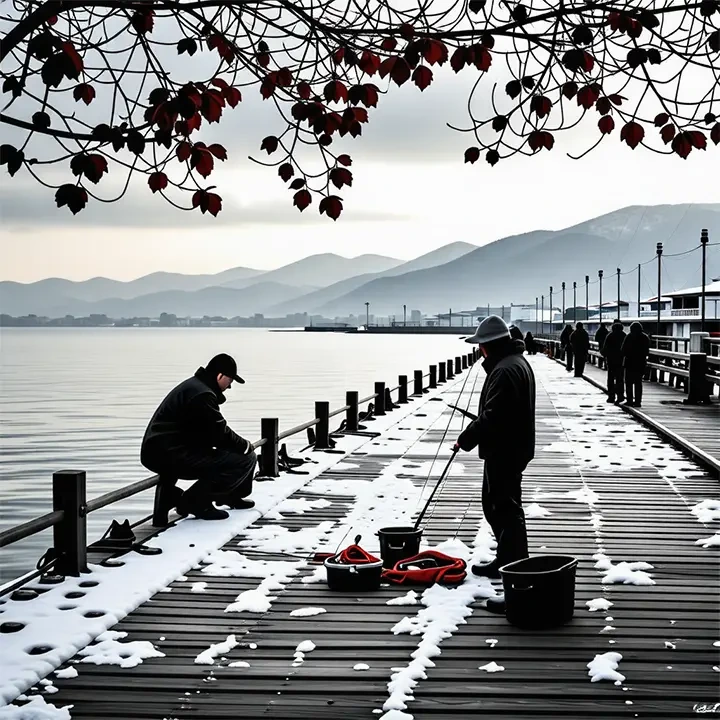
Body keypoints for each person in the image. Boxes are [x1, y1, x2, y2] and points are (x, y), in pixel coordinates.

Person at [454, 315, 536, 615]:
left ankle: (519, 585)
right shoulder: (515, 362)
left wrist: (465, 438)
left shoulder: (504, 370)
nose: (479, 352)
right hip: (512, 447)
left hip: (506, 449)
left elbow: (493, 417)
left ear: (489, 345)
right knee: (496, 504)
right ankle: (505, 562)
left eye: (481, 346)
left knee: (506, 510)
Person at [141, 353, 258, 520]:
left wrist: (239, 446)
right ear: (220, 376)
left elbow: (210, 431)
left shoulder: (197, 387)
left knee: (241, 455)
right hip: (169, 454)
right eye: (230, 381)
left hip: (163, 450)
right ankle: (195, 501)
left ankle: (226, 496)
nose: (229, 387)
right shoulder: (202, 395)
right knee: (244, 458)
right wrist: (245, 445)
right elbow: (219, 433)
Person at [621, 321, 651, 407]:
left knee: (628, 382)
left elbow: (623, 350)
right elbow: (646, 351)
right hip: (640, 363)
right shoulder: (645, 337)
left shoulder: (629, 337)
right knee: (638, 383)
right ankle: (638, 401)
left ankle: (629, 400)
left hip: (629, 362)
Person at [601, 322, 626, 403]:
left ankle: (611, 396)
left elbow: (605, 348)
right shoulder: (624, 336)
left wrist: (605, 355)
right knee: (620, 379)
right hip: (621, 361)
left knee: (611, 379)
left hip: (611, 361)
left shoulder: (610, 336)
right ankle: (620, 396)